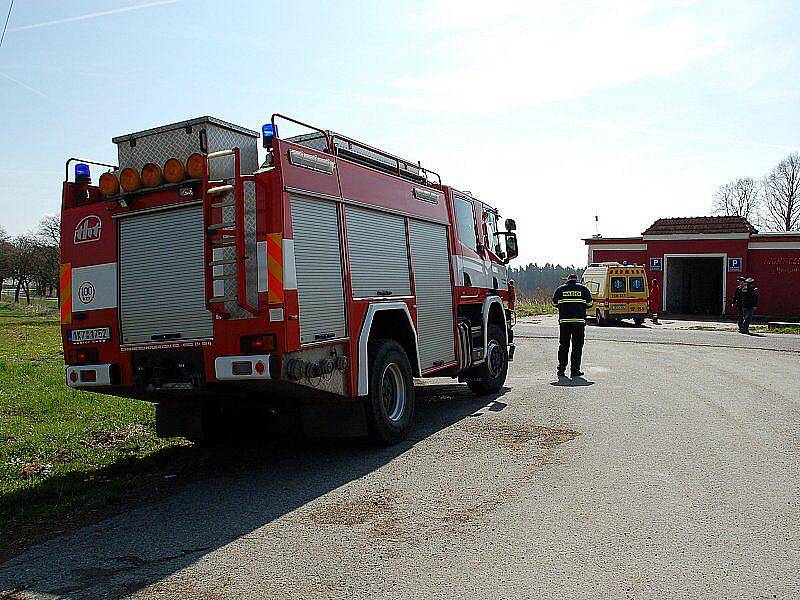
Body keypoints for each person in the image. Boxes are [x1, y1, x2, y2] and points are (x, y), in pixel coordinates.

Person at [552, 274, 593, 378]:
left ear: (568, 280)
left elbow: (554, 303)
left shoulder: (560, 290)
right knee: (577, 347)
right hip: (579, 323)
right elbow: (590, 304)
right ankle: (575, 371)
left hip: (564, 323)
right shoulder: (584, 289)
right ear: (577, 280)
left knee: (563, 346)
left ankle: (561, 369)